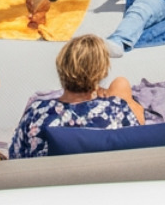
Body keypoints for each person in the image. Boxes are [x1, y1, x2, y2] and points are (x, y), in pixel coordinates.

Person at [9, 34, 145, 158]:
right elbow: (137, 148)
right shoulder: (116, 110)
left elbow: (15, 157)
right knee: (122, 85)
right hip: (103, 181)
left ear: (61, 67)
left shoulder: (36, 112)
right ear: (101, 73)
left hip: (47, 182)